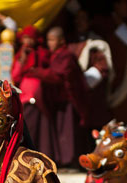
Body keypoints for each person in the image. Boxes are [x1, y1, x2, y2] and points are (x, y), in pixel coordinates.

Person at [26, 26, 88, 167]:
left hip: (68, 100)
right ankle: (62, 161)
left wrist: (36, 72)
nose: (50, 43)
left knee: (69, 132)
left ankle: (72, 162)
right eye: (48, 40)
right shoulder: (54, 55)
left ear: (61, 41)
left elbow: (57, 76)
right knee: (61, 133)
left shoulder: (66, 55)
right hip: (57, 101)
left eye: (52, 40)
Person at [94, 0, 127, 124]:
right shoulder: (106, 24)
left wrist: (121, 28)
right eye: (126, 3)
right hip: (113, 81)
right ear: (116, 5)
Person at [67, 8, 114, 134]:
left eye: (82, 19)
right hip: (73, 98)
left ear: (89, 22)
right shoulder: (69, 42)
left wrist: (81, 83)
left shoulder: (97, 43)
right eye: (77, 19)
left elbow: (102, 67)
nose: (79, 22)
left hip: (91, 98)